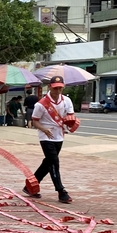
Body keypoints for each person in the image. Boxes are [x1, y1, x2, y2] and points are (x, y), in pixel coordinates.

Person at [27, 75, 77, 204]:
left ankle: (30, 186)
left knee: (48, 163)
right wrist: (44, 129)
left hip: (59, 135)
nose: (58, 91)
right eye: (55, 88)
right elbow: (35, 121)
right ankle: (61, 191)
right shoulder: (41, 104)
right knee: (54, 162)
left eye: (60, 88)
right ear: (50, 87)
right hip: (46, 136)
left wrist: (72, 122)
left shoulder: (67, 101)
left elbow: (70, 116)